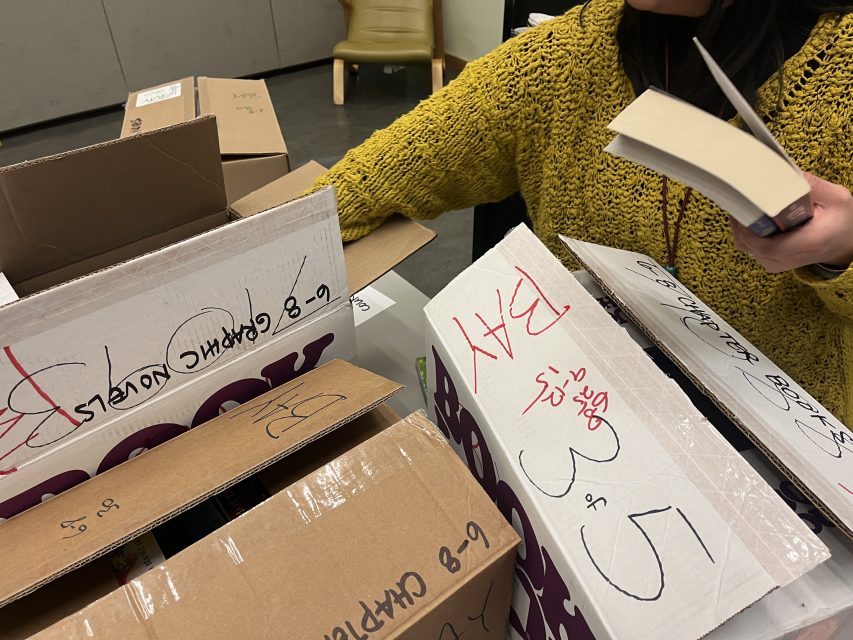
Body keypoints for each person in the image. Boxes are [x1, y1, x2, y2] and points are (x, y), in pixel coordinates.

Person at [315, 0, 853, 424]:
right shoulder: (564, 56)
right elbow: (373, 179)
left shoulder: (837, 77)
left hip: (784, 454)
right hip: (577, 408)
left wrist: (844, 250)